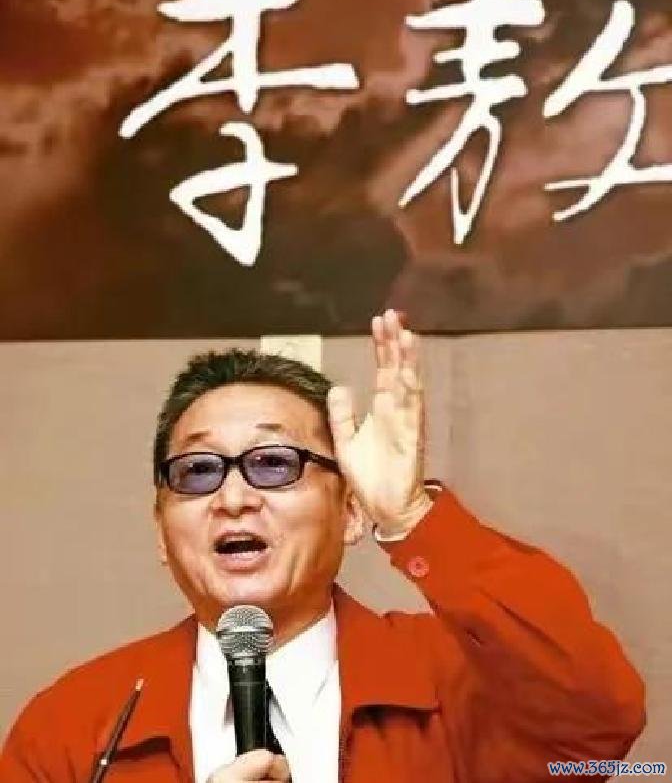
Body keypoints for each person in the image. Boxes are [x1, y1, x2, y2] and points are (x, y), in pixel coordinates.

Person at [1, 310, 644, 782]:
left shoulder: (453, 682)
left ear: (351, 511)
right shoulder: (76, 723)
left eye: (273, 463)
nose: (233, 498)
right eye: (198, 471)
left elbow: (597, 727)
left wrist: (413, 518)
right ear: (161, 534)